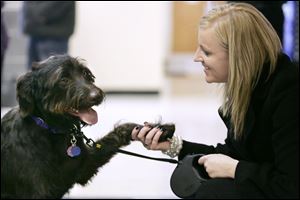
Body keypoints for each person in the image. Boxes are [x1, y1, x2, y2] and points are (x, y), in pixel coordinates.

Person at [131, 3, 299, 199]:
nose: (196, 57)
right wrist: (172, 146)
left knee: (214, 191)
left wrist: (235, 169)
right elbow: (233, 154)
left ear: (239, 55)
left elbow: (291, 185)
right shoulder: (251, 88)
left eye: (207, 52)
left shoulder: (289, 92)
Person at [21, 1, 75, 70]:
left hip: (53, 36)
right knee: (32, 75)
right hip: (36, 32)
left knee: (53, 74)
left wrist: (33, 11)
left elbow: (46, 10)